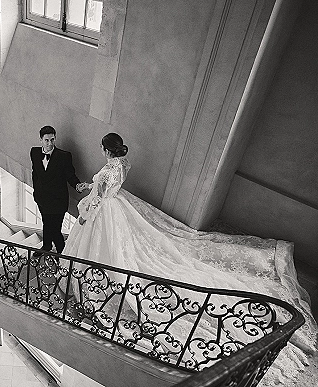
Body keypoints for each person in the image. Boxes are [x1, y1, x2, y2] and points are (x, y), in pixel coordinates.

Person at [63, 132, 317, 386]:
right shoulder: (121, 164)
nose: (101, 151)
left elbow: (100, 196)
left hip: (104, 210)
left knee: (112, 252)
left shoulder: (109, 170)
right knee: (126, 246)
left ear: (108, 150)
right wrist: (90, 186)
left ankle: (101, 278)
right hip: (117, 205)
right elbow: (104, 187)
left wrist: (85, 214)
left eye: (102, 148)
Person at [30, 126, 87, 255]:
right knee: (46, 223)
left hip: (58, 201)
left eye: (52, 139)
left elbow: (70, 175)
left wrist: (77, 185)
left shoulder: (64, 156)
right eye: (46, 140)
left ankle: (62, 253)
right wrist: (36, 190)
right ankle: (46, 246)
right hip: (41, 198)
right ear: (41, 140)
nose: (50, 143)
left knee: (55, 229)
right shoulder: (34, 152)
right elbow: (35, 173)